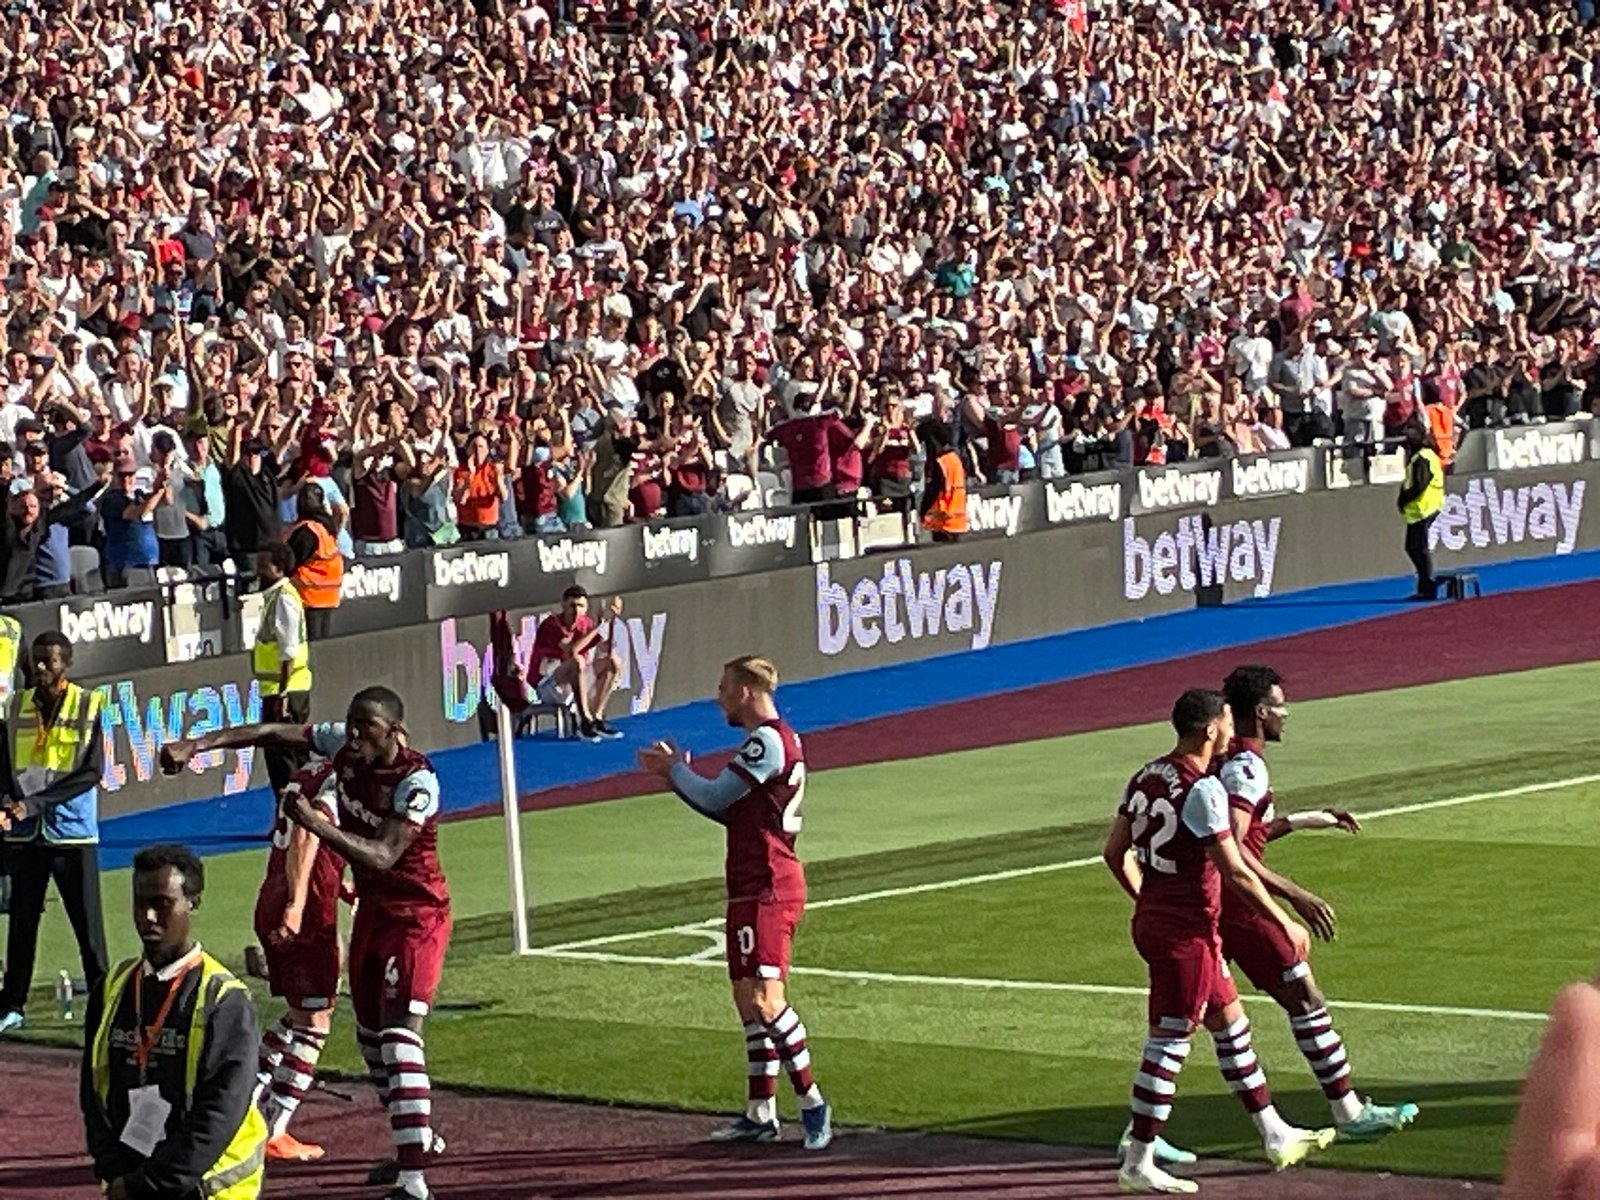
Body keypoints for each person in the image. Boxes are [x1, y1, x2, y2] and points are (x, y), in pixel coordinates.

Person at [161, 686, 449, 1200]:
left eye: (367, 726)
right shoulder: (336, 753)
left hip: (416, 915)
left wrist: (315, 828)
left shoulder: (418, 781)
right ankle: (414, 1139)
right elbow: (271, 734)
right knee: (356, 1037)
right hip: (367, 912)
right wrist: (195, 745)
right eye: (351, 724)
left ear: (395, 732)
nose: (354, 734)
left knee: (391, 1037)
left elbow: (382, 855)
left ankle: (413, 1178)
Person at [1103, 688, 1331, 1194]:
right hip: (1186, 933)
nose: (1233, 731)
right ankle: (1137, 1160)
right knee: (1169, 1045)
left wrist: (1148, 899)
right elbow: (1237, 873)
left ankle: (1274, 1133)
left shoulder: (1145, 775)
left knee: (1232, 1023)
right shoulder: (1202, 789)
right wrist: (1285, 919)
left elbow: (1114, 851)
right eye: (1227, 722)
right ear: (1210, 730)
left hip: (1168, 923)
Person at [1210, 667, 1418, 1139]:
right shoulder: (1247, 766)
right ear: (1261, 712)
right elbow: (1236, 849)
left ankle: (1144, 1129)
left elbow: (1241, 833)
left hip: (1216, 899)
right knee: (1305, 999)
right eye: (1280, 706)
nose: (1287, 715)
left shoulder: (1225, 762)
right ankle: (1348, 1113)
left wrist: (1305, 820)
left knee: (1197, 1014)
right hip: (1241, 903)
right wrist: (1295, 898)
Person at [637, 655, 833, 1152]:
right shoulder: (771, 741)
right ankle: (760, 1113)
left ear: (746, 691)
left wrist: (673, 772)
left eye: (724, 688)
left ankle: (812, 1103)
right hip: (750, 882)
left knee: (768, 1001)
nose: (719, 697)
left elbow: (716, 796)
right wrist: (678, 777)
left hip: (770, 885)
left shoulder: (767, 741)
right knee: (748, 1003)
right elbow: (735, 815)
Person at [80, 843, 267, 1200]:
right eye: (140, 902)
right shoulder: (112, 988)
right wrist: (114, 1171)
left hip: (210, 1189)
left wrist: (147, 1185)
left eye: (162, 904)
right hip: (134, 1181)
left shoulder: (224, 1000)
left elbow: (219, 1113)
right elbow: (92, 1090)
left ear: (193, 903)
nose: (148, 916)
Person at [0, 631, 110, 1034]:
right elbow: (4, 764)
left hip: (72, 834)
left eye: (50, 661)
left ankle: (103, 1006)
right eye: (37, 660)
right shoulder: (16, 706)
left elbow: (91, 773)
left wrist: (33, 804)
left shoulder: (88, 705)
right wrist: (5, 803)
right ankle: (11, 1004)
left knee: (88, 930)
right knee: (21, 925)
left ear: (68, 663)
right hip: (25, 836)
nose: (42, 667)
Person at [247, 761, 345, 1162]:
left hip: (275, 895)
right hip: (304, 912)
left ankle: (246, 1097)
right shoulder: (337, 783)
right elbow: (307, 834)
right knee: (315, 1021)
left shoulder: (305, 773)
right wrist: (298, 904)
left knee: (303, 1012)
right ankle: (274, 1126)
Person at [527, 586, 625, 743]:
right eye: (572, 606)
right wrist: (600, 625)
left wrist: (612, 620)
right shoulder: (551, 625)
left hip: (577, 684)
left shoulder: (586, 623)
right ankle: (585, 722)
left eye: (580, 606)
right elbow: (571, 651)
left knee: (613, 662)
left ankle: (596, 718)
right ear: (563, 606)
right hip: (549, 685)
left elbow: (607, 647)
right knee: (577, 661)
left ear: (586, 609)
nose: (576, 611)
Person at [253, 541, 314, 797]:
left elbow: (288, 650)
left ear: (278, 569)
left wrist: (283, 694)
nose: (258, 572)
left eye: (263, 566)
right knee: (282, 758)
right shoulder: (278, 597)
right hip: (282, 690)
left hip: (286, 692)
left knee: (284, 759)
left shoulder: (284, 600)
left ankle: (293, 819)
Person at [287, 482, 345, 640]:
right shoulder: (327, 528)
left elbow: (289, 563)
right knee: (322, 644)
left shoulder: (307, 531)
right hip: (328, 597)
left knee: (309, 645)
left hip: (308, 597)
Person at [1396, 420, 1445, 600]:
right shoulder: (1426, 455)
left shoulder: (1422, 457)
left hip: (1423, 508)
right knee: (1414, 548)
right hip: (1424, 507)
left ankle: (1427, 585)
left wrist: (1404, 499)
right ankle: (1425, 582)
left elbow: (1420, 485)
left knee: (1417, 548)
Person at [916, 417, 968, 543]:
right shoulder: (955, 459)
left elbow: (934, 488)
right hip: (958, 518)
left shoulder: (941, 462)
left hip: (942, 520)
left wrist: (923, 510)